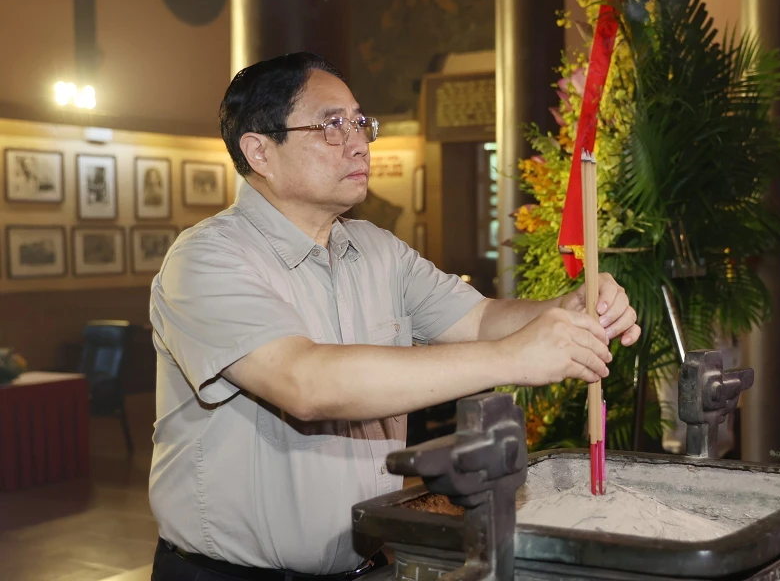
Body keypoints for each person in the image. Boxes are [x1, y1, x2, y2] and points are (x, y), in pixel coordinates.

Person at [148, 52, 640, 581]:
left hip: (364, 565)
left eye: (361, 122)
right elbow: (304, 382)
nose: (359, 141)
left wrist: (566, 310)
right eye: (332, 125)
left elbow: (478, 319)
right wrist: (512, 358)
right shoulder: (206, 258)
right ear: (259, 151)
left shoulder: (377, 250)